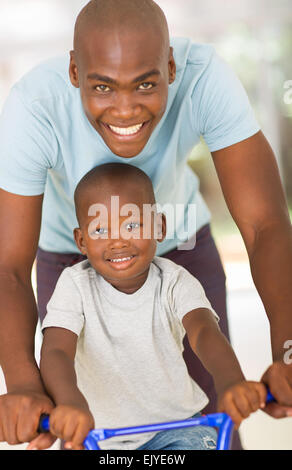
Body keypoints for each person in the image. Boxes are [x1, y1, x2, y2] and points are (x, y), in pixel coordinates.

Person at [0, 0, 291, 450]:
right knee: (83, 422)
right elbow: (8, 268)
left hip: (180, 242)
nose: (126, 109)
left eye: (145, 83)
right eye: (104, 87)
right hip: (70, 254)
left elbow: (265, 224)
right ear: (75, 73)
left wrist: (289, 351)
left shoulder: (204, 77)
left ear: (170, 66)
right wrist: (24, 385)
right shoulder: (35, 107)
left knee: (212, 417)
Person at [27, 163, 267, 451]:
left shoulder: (175, 281)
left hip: (178, 428)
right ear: (81, 241)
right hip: (98, 435)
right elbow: (55, 350)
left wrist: (230, 381)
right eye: (100, 229)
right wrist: (69, 402)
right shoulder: (73, 285)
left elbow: (204, 332)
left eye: (132, 225)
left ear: (159, 227)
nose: (117, 241)